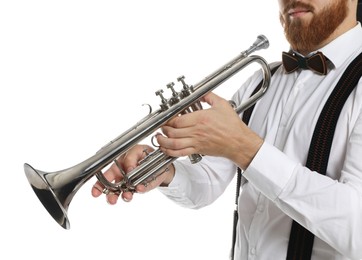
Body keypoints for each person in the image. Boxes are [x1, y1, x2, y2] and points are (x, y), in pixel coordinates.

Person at [92, 0, 362, 259]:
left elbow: (357, 231)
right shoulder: (262, 79)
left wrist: (246, 150)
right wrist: (163, 171)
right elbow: (208, 181)